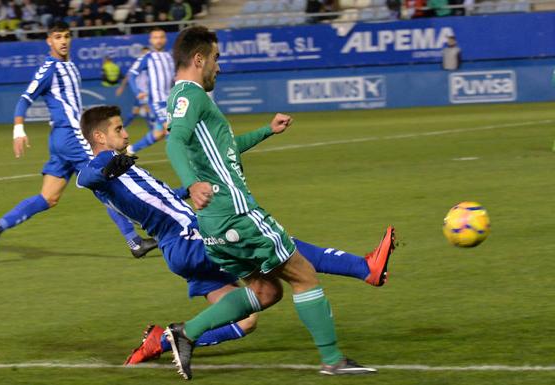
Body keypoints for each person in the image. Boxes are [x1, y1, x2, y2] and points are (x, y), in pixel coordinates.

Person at [75, 105, 395, 366]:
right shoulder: (104, 167)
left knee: (248, 319)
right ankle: (364, 268)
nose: (127, 133)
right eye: (119, 129)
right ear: (100, 136)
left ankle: (160, 342)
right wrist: (107, 166)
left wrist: (190, 188)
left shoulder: (125, 168)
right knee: (276, 245)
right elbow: (86, 177)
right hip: (188, 238)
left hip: (182, 248)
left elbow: (160, 198)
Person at [163, 26, 395, 379]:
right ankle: (332, 359)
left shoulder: (189, 99)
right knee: (304, 275)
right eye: (216, 58)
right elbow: (174, 142)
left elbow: (224, 152)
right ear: (199, 59)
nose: (219, 68)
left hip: (215, 221)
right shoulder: (190, 96)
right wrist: (193, 183)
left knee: (266, 291)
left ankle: (186, 334)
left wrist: (267, 131)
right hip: (235, 213)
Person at [0, 22, 157, 261]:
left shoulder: (70, 66)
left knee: (48, 198)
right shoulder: (49, 68)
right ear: (48, 41)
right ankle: (135, 241)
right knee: (106, 181)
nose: (63, 41)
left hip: (61, 140)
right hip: (71, 136)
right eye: (57, 37)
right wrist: (18, 130)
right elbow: (25, 98)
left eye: (66, 36)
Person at [125, 28, 175, 155]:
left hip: (172, 101)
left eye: (161, 37)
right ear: (151, 40)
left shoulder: (170, 57)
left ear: (165, 39)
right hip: (158, 102)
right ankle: (187, 165)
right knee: (172, 130)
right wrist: (137, 92)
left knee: (158, 134)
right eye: (155, 37)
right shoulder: (147, 58)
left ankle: (129, 150)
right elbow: (131, 75)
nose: (158, 40)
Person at [116, 46, 154, 131]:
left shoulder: (151, 63)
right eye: (145, 53)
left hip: (147, 91)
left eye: (148, 53)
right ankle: (153, 129)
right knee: (146, 109)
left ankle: (122, 127)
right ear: (142, 54)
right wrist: (121, 87)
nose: (147, 55)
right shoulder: (138, 63)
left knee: (135, 112)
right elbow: (129, 75)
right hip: (141, 91)